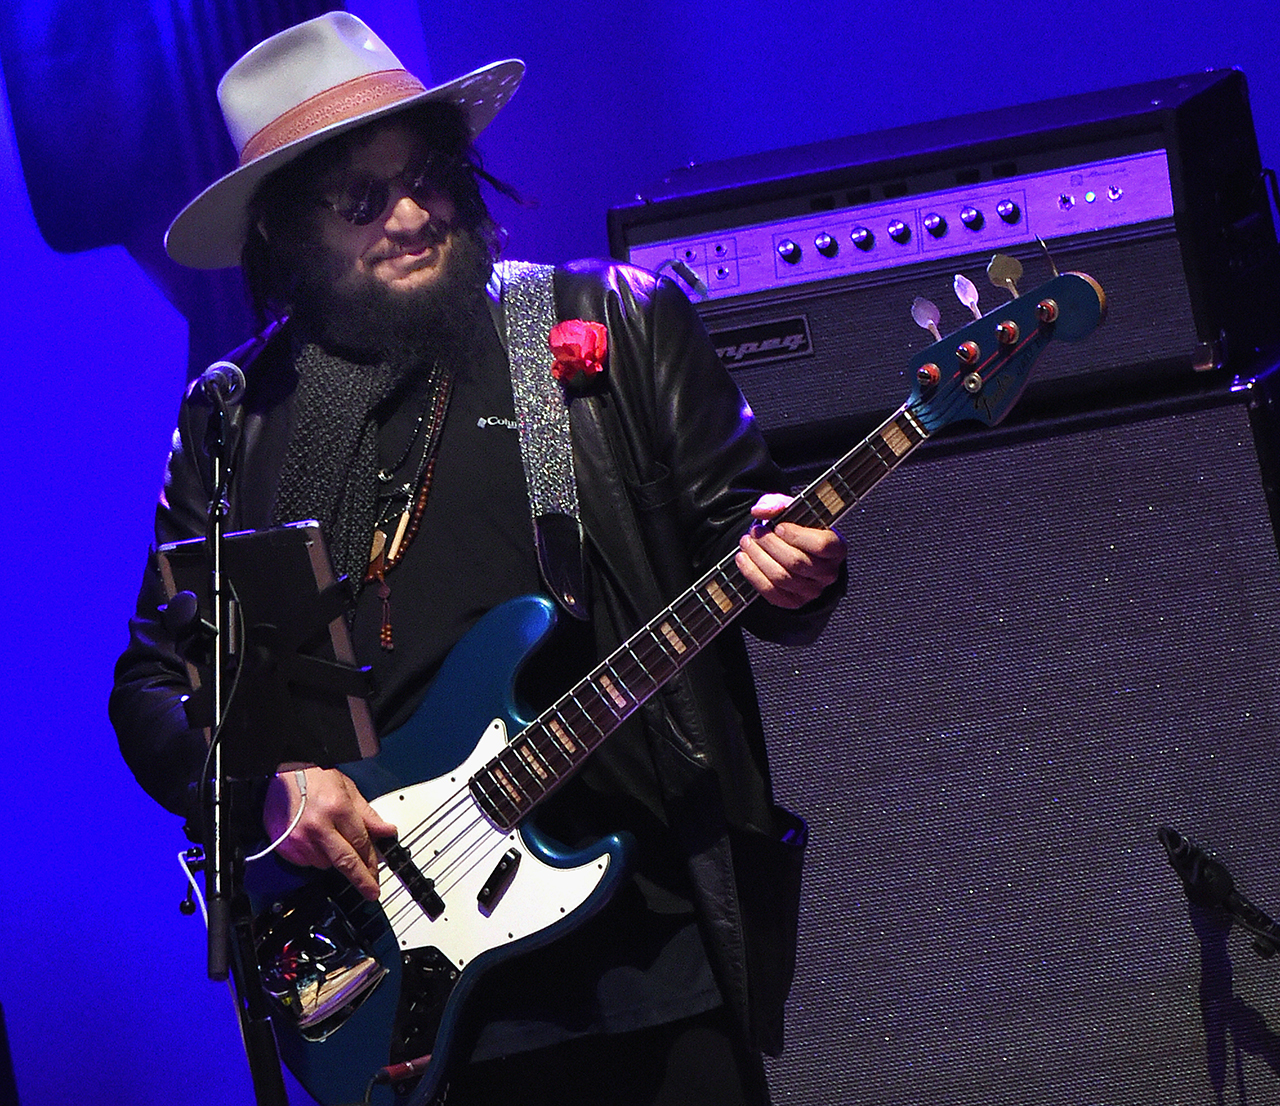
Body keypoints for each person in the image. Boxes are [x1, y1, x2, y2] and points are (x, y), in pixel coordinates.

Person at [110, 12, 847, 1106]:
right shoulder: (238, 422)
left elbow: (742, 548)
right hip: (404, 987)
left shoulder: (604, 323)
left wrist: (791, 562)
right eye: (361, 201)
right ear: (284, 234)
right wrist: (266, 785)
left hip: (645, 946)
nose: (413, 214)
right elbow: (154, 688)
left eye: (430, 176)